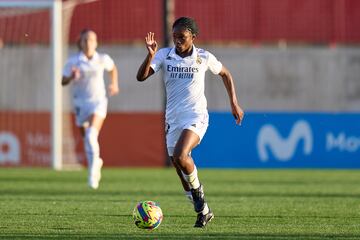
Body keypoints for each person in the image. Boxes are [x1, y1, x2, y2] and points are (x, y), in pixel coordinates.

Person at [136, 17, 244, 227]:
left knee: (181, 155)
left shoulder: (203, 57)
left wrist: (234, 103)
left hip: (196, 116)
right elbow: (141, 77)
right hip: (173, 119)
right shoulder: (164, 55)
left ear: (193, 37)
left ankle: (198, 193)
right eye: (174, 36)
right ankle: (204, 210)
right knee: (178, 165)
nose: (177, 41)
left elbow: (225, 74)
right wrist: (149, 56)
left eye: (182, 37)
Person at [62, 29, 119, 189]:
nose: (88, 43)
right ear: (80, 43)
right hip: (80, 104)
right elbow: (63, 81)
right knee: (87, 139)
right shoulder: (73, 62)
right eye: (85, 40)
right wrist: (71, 77)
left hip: (98, 102)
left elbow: (112, 68)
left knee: (91, 134)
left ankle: (93, 174)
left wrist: (114, 83)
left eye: (91, 40)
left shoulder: (102, 59)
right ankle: (96, 161)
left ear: (96, 43)